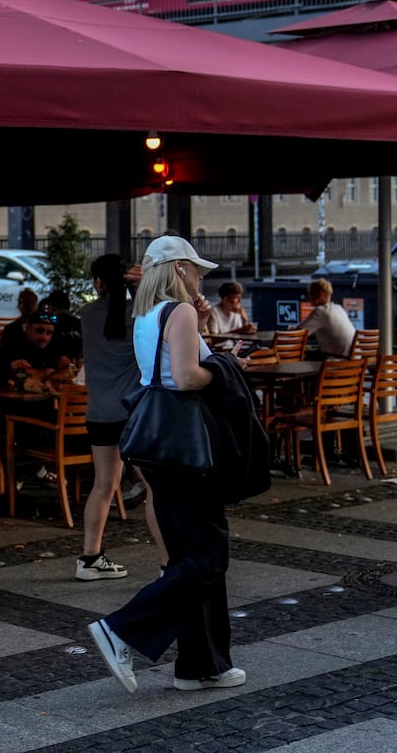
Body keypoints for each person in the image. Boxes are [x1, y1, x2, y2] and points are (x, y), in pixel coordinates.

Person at [88, 236, 243, 695]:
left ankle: (201, 664)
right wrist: (228, 366)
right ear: (177, 268)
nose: (201, 277)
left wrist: (200, 323)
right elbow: (189, 375)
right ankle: (123, 628)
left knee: (188, 556)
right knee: (208, 553)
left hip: (158, 444)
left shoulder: (146, 315)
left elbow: (163, 369)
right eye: (195, 269)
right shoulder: (178, 313)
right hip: (185, 445)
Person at [77, 255, 167, 582]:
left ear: (97, 283)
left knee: (103, 485)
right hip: (133, 415)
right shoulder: (140, 316)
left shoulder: (86, 315)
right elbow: (167, 323)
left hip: (98, 413)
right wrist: (144, 287)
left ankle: (89, 558)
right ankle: (167, 564)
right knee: (153, 486)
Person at [0, 310, 72, 388]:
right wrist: (47, 372)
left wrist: (42, 375)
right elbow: (22, 377)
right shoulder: (14, 346)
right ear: (28, 328)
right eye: (39, 331)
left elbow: (69, 373)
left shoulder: (52, 348)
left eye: (49, 333)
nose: (44, 337)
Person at [302, 279, 356, 359]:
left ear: (319, 295)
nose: (309, 297)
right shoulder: (338, 308)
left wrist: (290, 329)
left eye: (310, 294)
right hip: (357, 364)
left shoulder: (320, 311)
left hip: (339, 364)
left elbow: (298, 333)